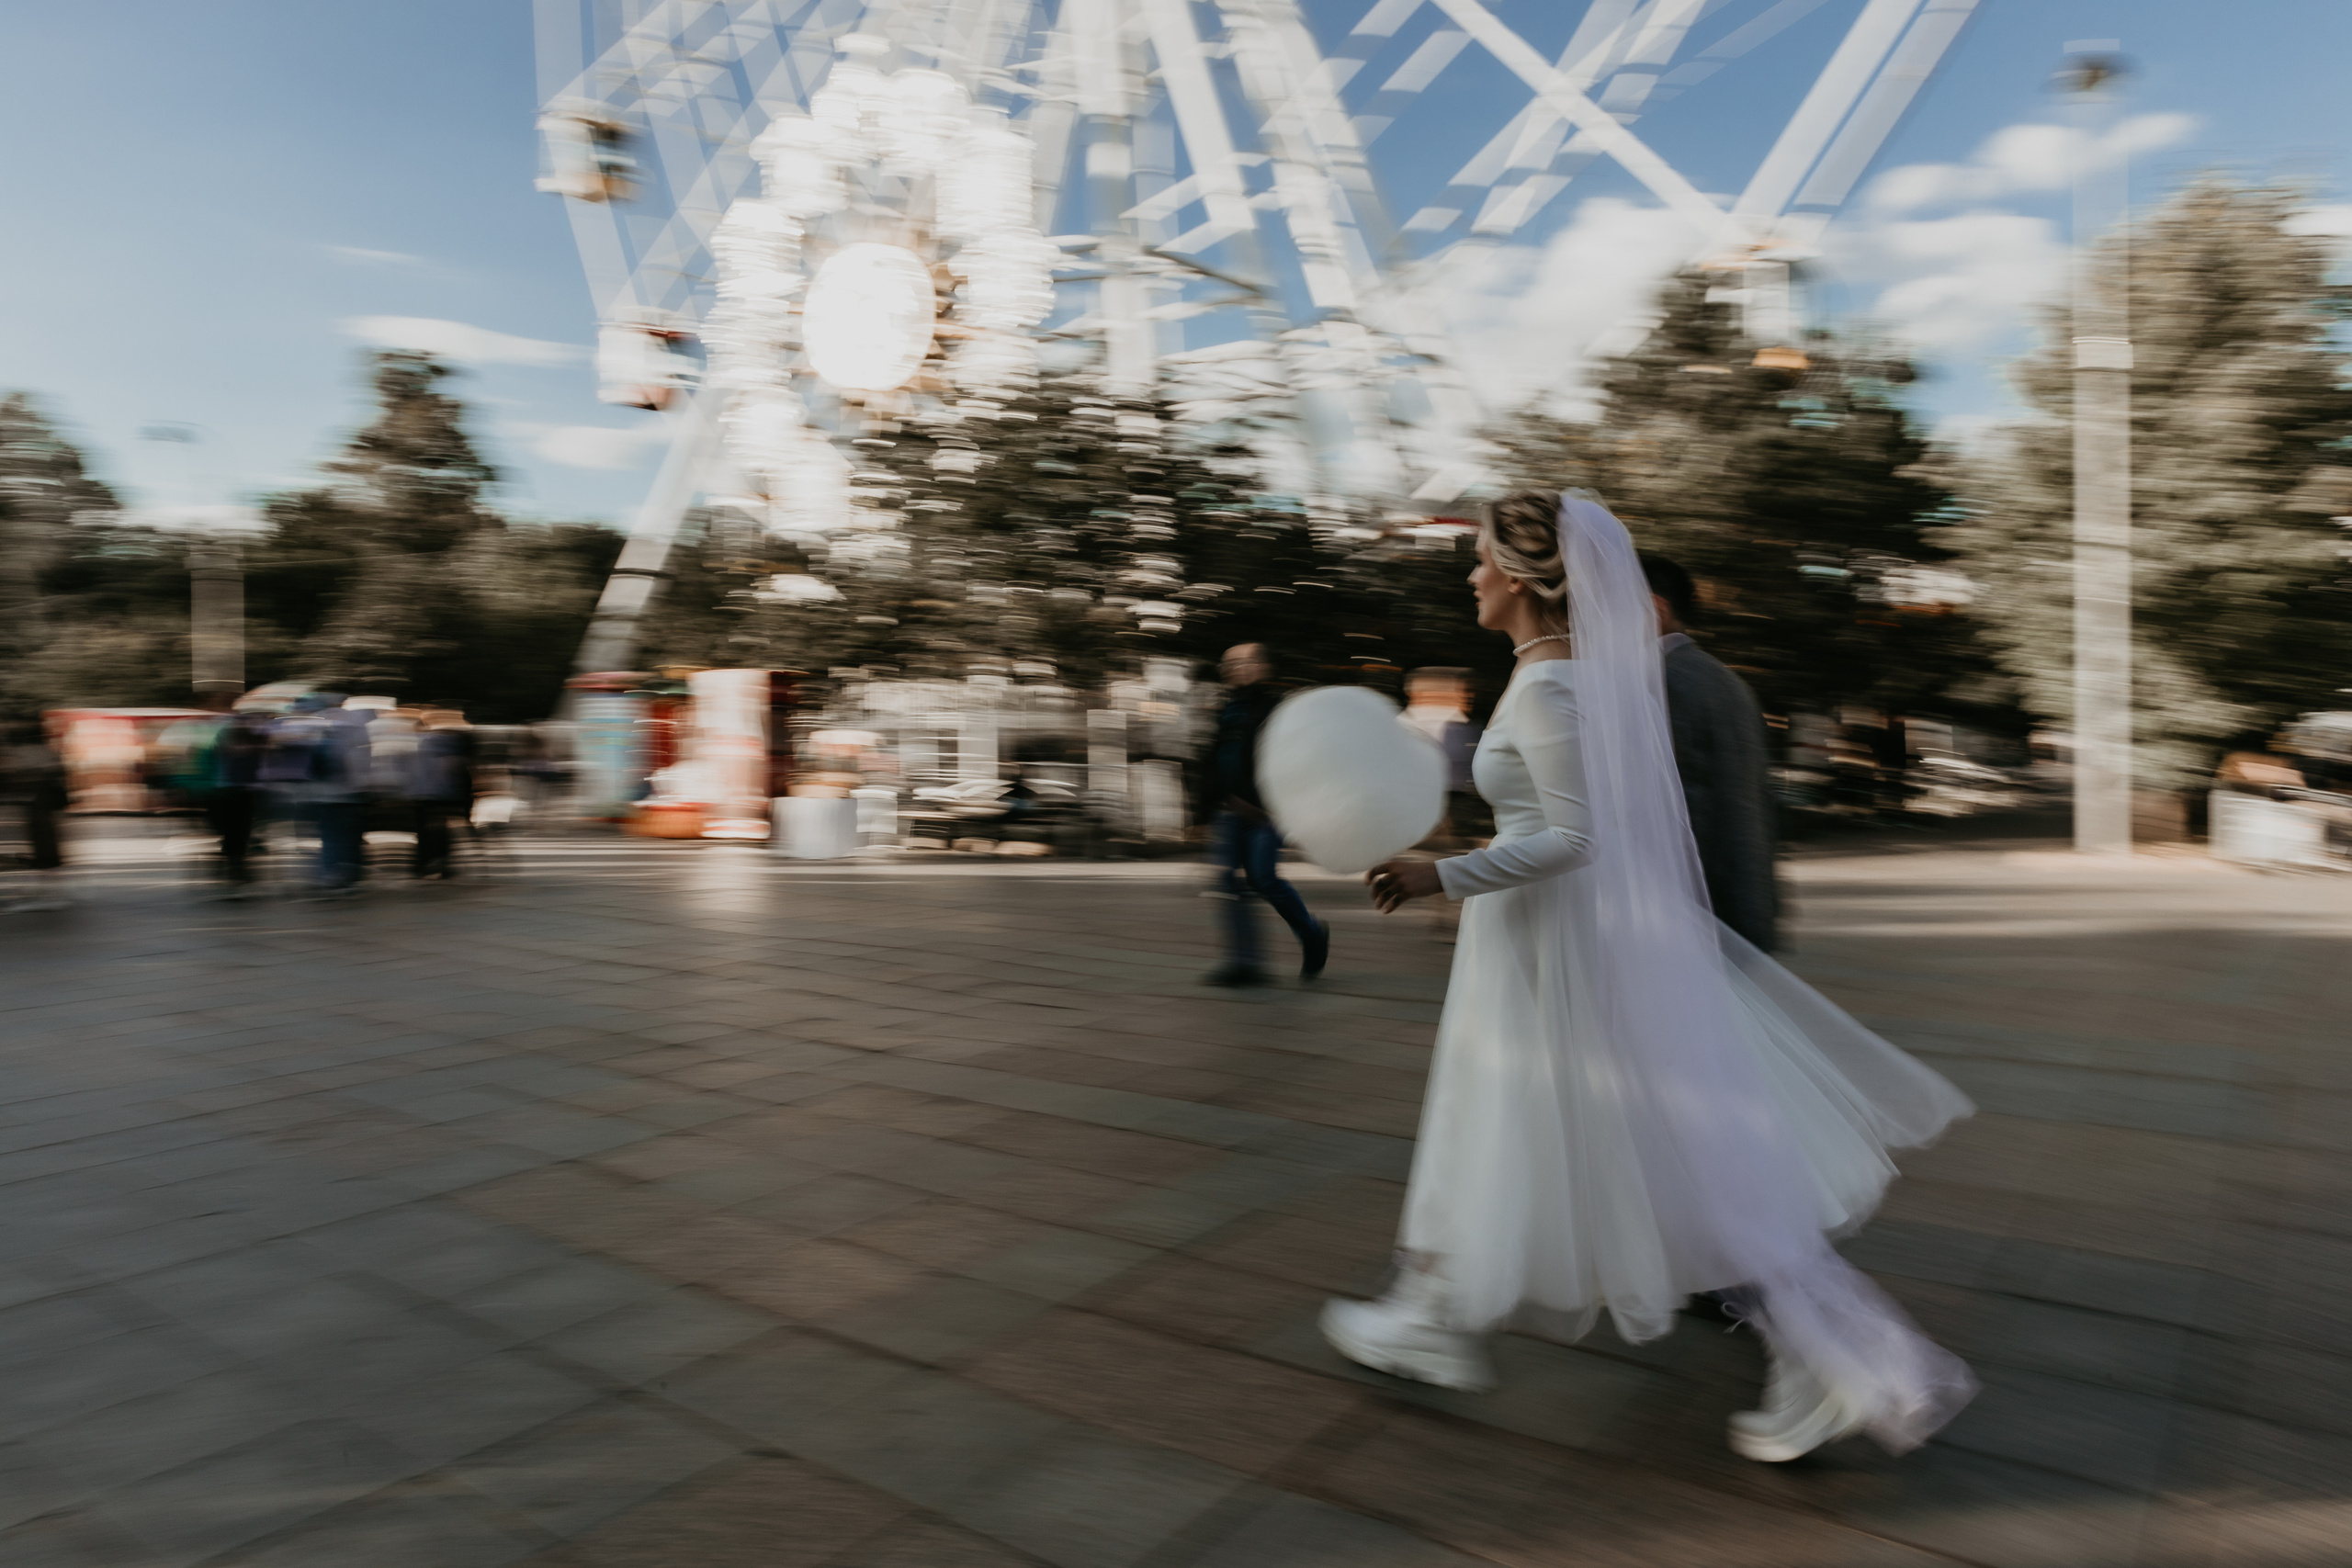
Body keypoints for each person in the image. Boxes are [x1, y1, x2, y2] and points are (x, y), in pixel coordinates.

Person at [1328, 491, 1974, 1463]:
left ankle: (1819, 1362)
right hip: (1543, 950)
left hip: (1561, 956)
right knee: (1516, 1126)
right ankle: (1433, 1311)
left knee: (1654, 1152)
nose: (1469, 576)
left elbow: (1571, 838)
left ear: (1521, 577)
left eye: (1480, 560)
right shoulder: (1555, 678)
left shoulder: (1551, 690)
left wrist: (1441, 874)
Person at [1640, 554, 1781, 953]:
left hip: (1692, 913)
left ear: (1654, 608)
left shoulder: (1661, 684)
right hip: (1742, 900)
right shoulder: (1725, 678)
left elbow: (1676, 811)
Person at [1204, 643, 1329, 986]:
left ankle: (1311, 933)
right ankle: (1245, 964)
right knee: (1228, 882)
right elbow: (1216, 758)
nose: (1236, 668)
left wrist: (1277, 807)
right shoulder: (1228, 709)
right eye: (1230, 663)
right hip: (1230, 811)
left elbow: (1296, 761)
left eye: (1245, 662)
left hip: (1266, 813)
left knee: (1263, 879)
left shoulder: (1278, 710)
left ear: (1264, 666)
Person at [2, 722, 72, 913]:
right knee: (46, 849)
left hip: (38, 807)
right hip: (44, 808)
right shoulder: (47, 751)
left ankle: (48, 894)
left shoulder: (25, 752)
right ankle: (51, 892)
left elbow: (19, 779)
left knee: (43, 850)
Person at [405, 707, 476, 879]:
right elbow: (461, 770)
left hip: (423, 793)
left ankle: (422, 866)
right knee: (442, 830)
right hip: (446, 793)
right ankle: (443, 864)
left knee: (423, 830)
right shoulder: (453, 743)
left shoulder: (423, 742)